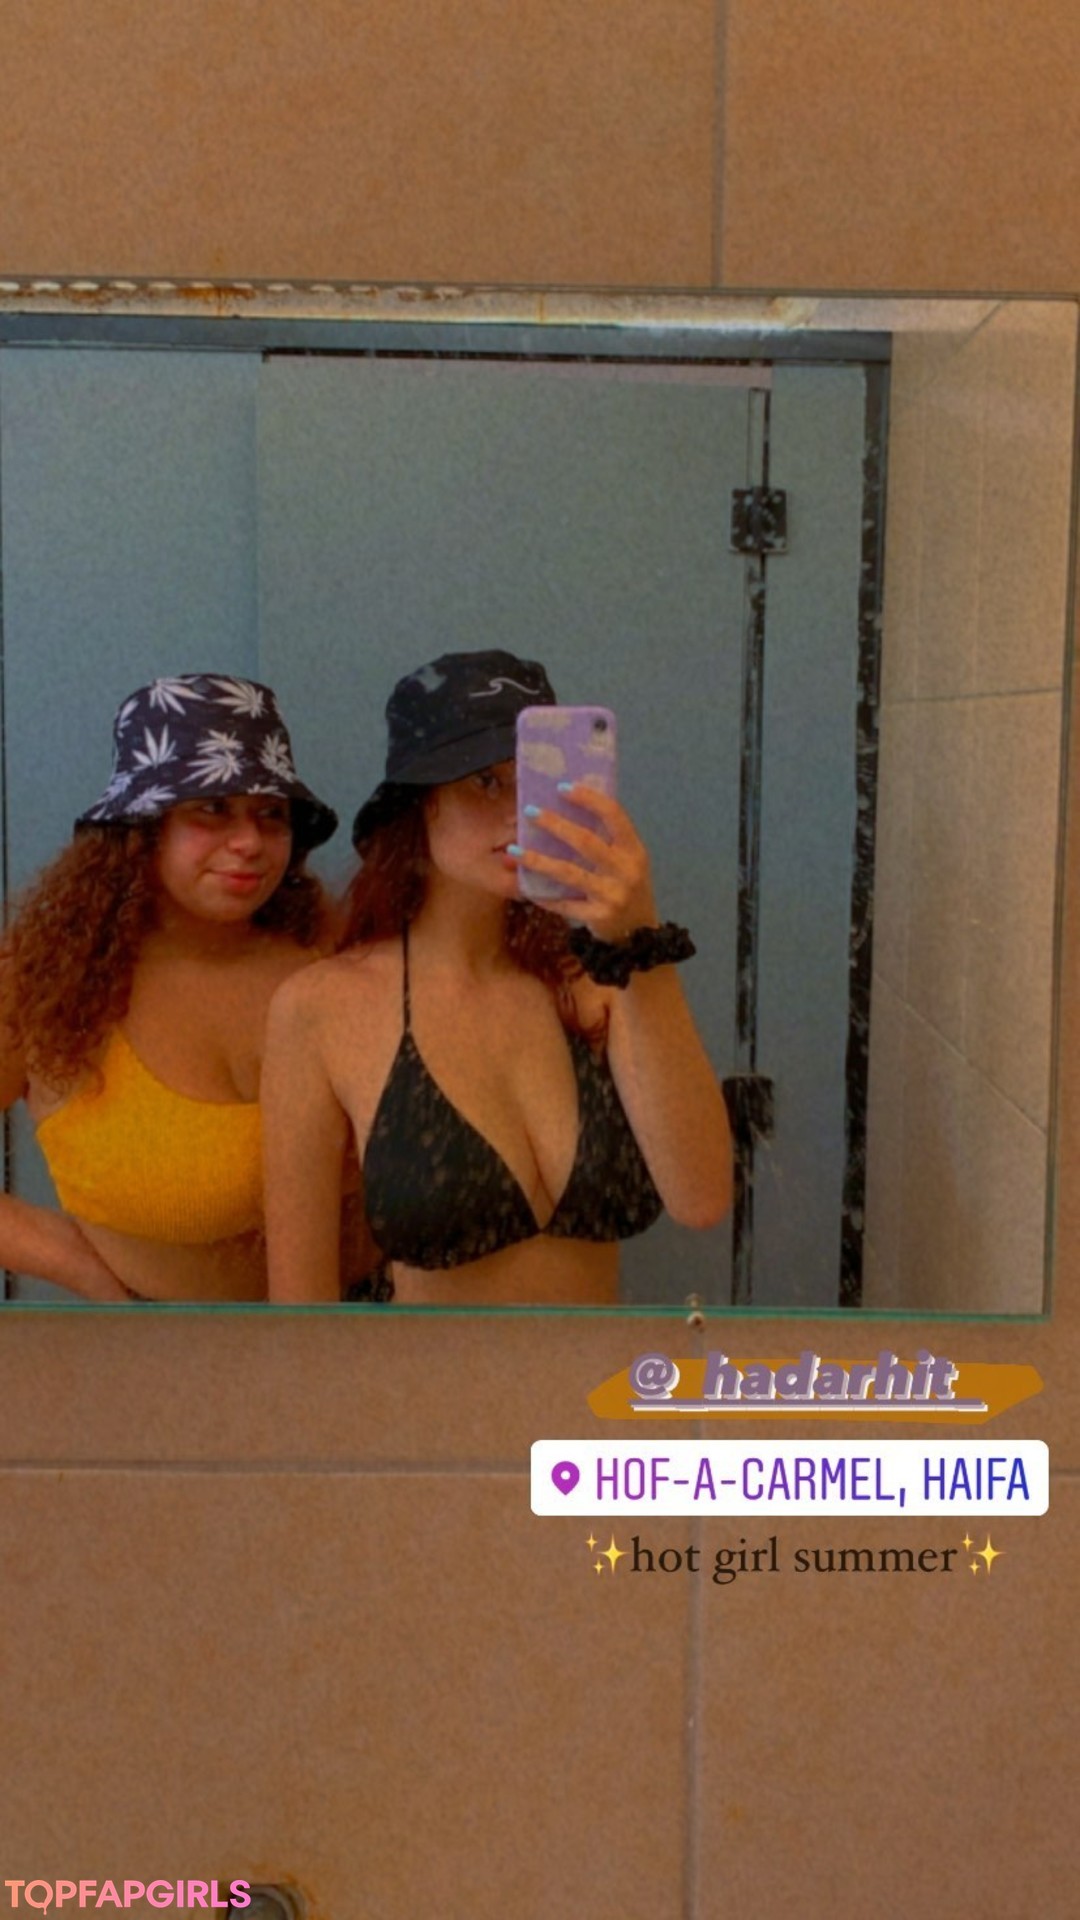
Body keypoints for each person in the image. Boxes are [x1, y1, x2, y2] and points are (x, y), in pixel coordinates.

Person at [263, 650, 732, 1306]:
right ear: (421, 804)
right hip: (423, 1374)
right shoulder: (323, 1008)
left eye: (536, 781)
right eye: (484, 782)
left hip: (597, 1372)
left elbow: (701, 1199)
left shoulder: (599, 979)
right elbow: (300, 1308)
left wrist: (636, 941)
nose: (521, 813)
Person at [0, 673, 341, 1303]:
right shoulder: (47, 979)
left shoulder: (335, 952)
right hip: (156, 1351)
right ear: (141, 827)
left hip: (370, 1341)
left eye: (271, 814)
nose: (249, 843)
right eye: (212, 809)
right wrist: (78, 1264)